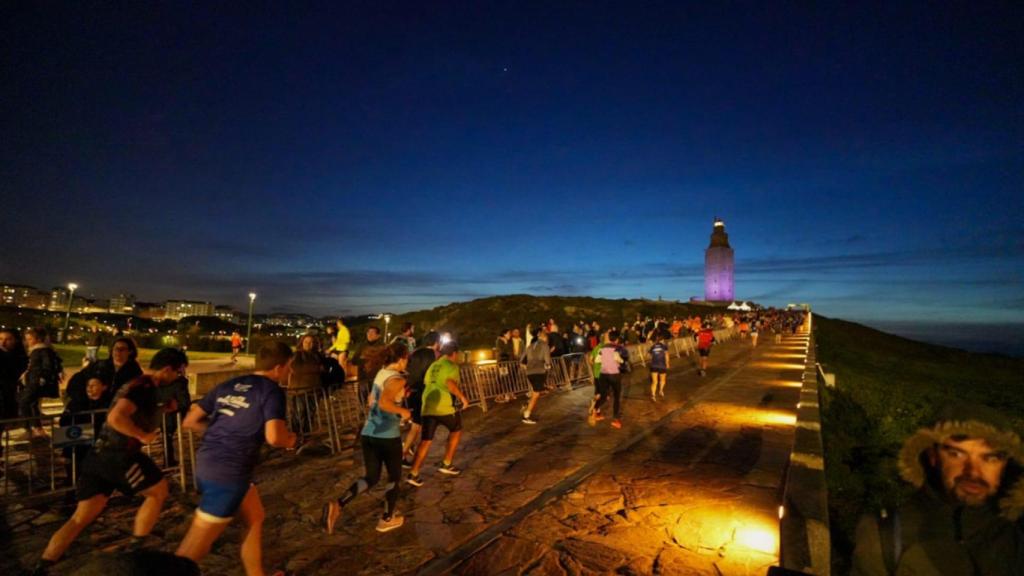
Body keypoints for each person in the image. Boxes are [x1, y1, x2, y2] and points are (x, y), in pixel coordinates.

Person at [33, 348, 189, 575]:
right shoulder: (143, 387)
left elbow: (135, 411)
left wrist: (164, 409)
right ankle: (137, 546)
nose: (179, 377)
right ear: (167, 369)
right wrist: (141, 435)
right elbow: (116, 417)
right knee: (158, 492)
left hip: (98, 456)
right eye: (179, 372)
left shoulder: (140, 386)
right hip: (120, 456)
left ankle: (43, 565)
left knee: (80, 517)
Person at [851, 403, 1024, 575]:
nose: (973, 472)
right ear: (932, 456)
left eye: (990, 458)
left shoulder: (1016, 533)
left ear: (1006, 464)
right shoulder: (885, 536)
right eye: (956, 454)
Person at [175, 342, 300, 576]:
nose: (290, 372)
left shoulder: (230, 384)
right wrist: (292, 440)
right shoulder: (271, 391)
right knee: (191, 553)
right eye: (289, 367)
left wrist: (220, 431)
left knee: (255, 517)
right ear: (278, 367)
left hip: (206, 463)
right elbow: (274, 437)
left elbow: (190, 421)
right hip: (229, 474)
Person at [324, 342, 411, 534]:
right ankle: (387, 519)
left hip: (369, 433)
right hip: (387, 435)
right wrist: (403, 412)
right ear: (402, 358)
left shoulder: (381, 374)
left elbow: (371, 400)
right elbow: (383, 402)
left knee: (371, 477)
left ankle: (338, 505)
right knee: (394, 477)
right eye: (407, 358)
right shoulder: (397, 378)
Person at [406, 342, 469, 487]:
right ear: (454, 354)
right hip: (444, 406)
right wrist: (463, 398)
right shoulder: (452, 366)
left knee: (426, 440)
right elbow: (450, 383)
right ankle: (446, 463)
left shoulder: (433, 366)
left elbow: (427, 382)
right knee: (456, 430)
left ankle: (413, 473)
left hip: (427, 405)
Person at [59, 373, 113, 483]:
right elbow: (63, 422)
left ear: (104, 387)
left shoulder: (108, 404)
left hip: (96, 447)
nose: (89, 388)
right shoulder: (78, 403)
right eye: (88, 385)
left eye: (94, 385)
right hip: (76, 446)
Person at [402, 331, 440, 467]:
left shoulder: (416, 353)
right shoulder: (435, 355)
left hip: (412, 390)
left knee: (417, 423)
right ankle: (403, 454)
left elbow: (407, 368)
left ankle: (409, 446)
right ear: (437, 342)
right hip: (423, 391)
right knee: (416, 426)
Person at [21, 326, 63, 437]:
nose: (27, 342)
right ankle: (37, 428)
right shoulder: (36, 350)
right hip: (32, 380)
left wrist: (42, 377)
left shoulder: (43, 350)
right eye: (27, 339)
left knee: (24, 401)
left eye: (30, 339)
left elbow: (47, 366)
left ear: (38, 339)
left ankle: (28, 427)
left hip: (36, 382)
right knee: (33, 404)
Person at [0, 328, 28, 458]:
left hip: (6, 398)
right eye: (0, 339)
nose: (3, 342)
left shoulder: (19, 357)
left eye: (8, 339)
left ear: (15, 341)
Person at [592, 330, 627, 429]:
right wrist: (621, 361)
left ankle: (595, 409)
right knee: (616, 397)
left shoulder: (601, 349)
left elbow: (596, 360)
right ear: (616, 339)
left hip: (603, 375)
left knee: (603, 395)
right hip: (614, 375)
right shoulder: (616, 349)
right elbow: (619, 360)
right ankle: (616, 419)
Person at [520, 328, 551, 425]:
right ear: (544, 337)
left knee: (535, 392)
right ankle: (526, 415)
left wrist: (527, 366)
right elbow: (547, 361)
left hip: (530, 372)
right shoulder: (545, 346)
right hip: (539, 371)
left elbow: (521, 360)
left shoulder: (529, 346)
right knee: (537, 394)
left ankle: (527, 404)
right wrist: (547, 368)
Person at [648, 333, 670, 401]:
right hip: (662, 365)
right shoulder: (664, 346)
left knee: (654, 382)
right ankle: (660, 391)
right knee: (662, 380)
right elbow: (666, 355)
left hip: (653, 365)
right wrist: (667, 363)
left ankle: (653, 395)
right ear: (662, 340)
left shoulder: (653, 346)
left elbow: (649, 356)